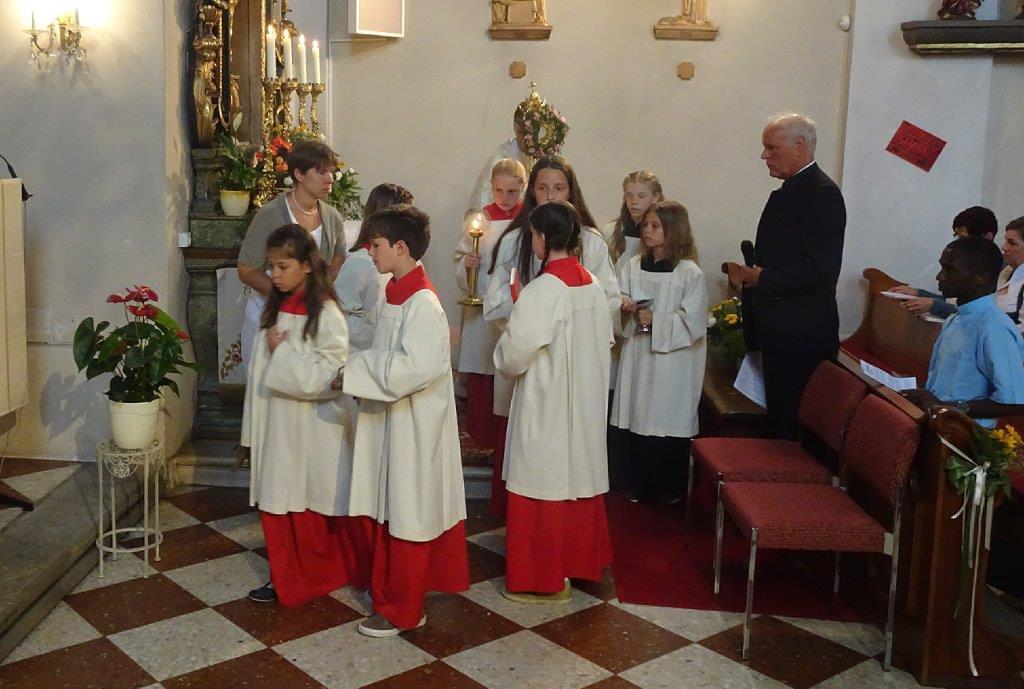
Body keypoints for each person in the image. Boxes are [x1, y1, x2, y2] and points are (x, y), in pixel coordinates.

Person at [337, 205, 469, 638]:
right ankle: (387, 594)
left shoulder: (423, 303)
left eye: (375, 245)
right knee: (390, 509)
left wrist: (353, 371)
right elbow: (381, 349)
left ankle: (404, 610)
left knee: (407, 512)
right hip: (390, 420)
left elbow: (411, 369)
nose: (370, 253)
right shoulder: (394, 291)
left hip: (414, 426)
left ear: (400, 247)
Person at [483, 155, 621, 517]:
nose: (550, 196)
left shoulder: (592, 243)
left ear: (571, 192)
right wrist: (526, 315)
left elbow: (609, 303)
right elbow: (495, 299)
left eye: (559, 188)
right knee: (538, 447)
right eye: (542, 188)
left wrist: (547, 320)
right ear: (532, 192)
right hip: (536, 366)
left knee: (554, 455)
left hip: (573, 365)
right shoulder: (516, 240)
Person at [242, 225, 369, 606]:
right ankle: (283, 577)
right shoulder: (275, 307)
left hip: (312, 428)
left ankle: (317, 576)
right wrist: (251, 434)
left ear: (307, 266)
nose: (274, 275)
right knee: (278, 502)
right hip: (277, 424)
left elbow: (330, 376)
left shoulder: (326, 313)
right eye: (271, 267)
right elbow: (258, 376)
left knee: (308, 504)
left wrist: (281, 354)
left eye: (283, 267)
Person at [493, 200, 613, 602]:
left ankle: (541, 577)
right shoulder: (592, 284)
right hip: (585, 403)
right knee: (577, 476)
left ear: (542, 238)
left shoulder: (542, 290)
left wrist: (514, 317)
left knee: (541, 479)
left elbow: (513, 356)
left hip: (547, 403)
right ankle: (576, 565)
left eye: (533, 235)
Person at [737, 113, 846, 440]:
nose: (764, 155)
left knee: (792, 432)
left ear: (799, 144)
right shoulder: (793, 189)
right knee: (778, 424)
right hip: (781, 333)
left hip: (800, 336)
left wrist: (764, 278)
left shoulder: (821, 193)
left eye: (771, 147)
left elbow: (822, 269)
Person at [611, 201, 707, 503]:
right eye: (646, 226)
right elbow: (617, 297)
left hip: (671, 362)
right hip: (638, 356)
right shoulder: (633, 265)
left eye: (655, 226)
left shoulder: (689, 273)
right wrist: (624, 306)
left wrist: (657, 320)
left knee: (664, 417)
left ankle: (667, 489)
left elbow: (693, 323)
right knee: (636, 413)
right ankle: (635, 484)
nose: (647, 231)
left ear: (674, 230)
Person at [238, 141, 348, 368]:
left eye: (331, 172)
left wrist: (316, 290)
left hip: (310, 313)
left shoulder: (332, 216)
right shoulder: (270, 215)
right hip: (271, 312)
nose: (329, 179)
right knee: (268, 379)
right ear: (299, 174)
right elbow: (246, 269)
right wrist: (284, 294)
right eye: (321, 172)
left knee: (306, 375)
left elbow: (338, 256)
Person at [902, 236, 1024, 427]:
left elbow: (1014, 402)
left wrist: (947, 407)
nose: (940, 276)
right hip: (940, 423)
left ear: (981, 277)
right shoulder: (956, 318)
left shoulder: (993, 326)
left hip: (964, 434)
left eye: (949, 269)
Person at [455, 158, 526, 449]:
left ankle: (504, 440)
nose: (504, 198)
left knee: (507, 371)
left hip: (513, 308)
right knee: (483, 371)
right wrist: (468, 265)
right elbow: (461, 258)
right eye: (499, 191)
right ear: (491, 187)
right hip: (483, 307)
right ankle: (481, 437)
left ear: (522, 188)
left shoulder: (527, 220)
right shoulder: (482, 220)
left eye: (512, 192)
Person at [335, 183, 414, 350]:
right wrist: (381, 333)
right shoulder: (360, 263)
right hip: (362, 353)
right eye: (405, 218)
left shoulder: (408, 260)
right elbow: (339, 315)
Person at [890, 206, 999, 319]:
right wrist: (918, 294)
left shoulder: (994, 271)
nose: (959, 243)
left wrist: (934, 306)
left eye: (963, 238)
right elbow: (954, 300)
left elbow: (972, 312)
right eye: (957, 237)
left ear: (987, 237)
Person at [601, 171, 664, 269]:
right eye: (629, 195)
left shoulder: (664, 233)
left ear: (655, 197)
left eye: (641, 196)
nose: (634, 201)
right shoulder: (609, 231)